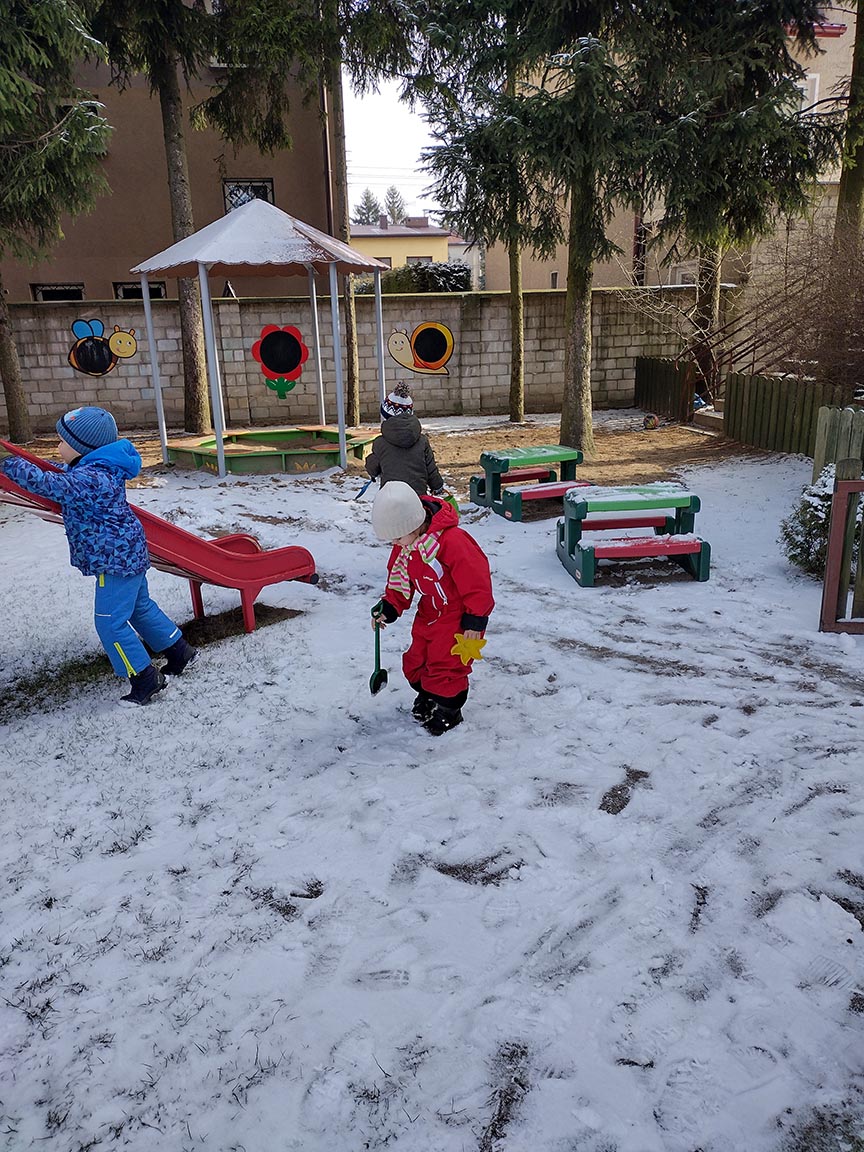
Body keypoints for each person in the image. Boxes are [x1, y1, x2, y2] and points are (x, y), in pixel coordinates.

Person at [0, 407, 196, 704]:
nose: (58, 447)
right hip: (126, 553)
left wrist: (9, 464)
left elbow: (51, 484)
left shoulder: (90, 479)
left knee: (109, 622)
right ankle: (180, 652)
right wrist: (33, 462)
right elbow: (60, 471)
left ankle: (144, 678)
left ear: (82, 448)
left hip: (114, 561)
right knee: (139, 608)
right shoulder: (96, 468)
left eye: (62, 442)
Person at [370, 480, 493, 735]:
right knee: (417, 660)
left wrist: (475, 621)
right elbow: (399, 581)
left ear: (414, 524)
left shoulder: (452, 542)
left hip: (457, 617)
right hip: (429, 613)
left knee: (446, 666)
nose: (395, 543)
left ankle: (448, 711)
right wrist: (389, 607)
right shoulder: (406, 546)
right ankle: (429, 695)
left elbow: (477, 581)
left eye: (398, 536)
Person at [364, 382, 446, 498]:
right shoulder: (422, 441)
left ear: (386, 416)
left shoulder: (380, 443)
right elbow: (431, 469)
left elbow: (373, 469)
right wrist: (437, 486)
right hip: (417, 496)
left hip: (390, 497)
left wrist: (371, 464)